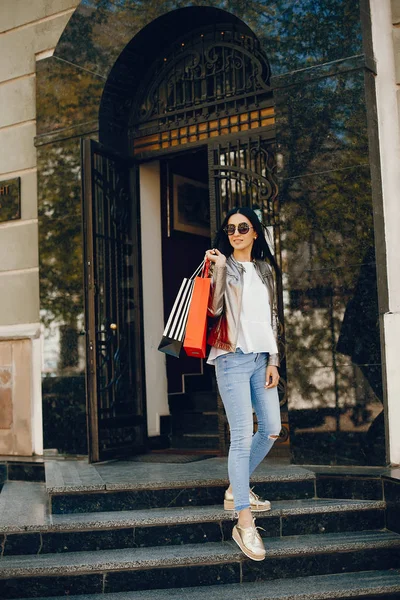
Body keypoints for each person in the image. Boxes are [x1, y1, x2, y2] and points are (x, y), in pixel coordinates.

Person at [205, 206, 281, 562]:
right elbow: (214, 310)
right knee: (240, 434)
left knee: (270, 429)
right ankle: (244, 522)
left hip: (261, 359)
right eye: (230, 228)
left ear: (255, 232)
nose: (235, 232)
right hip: (231, 357)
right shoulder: (223, 264)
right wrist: (218, 270)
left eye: (243, 227)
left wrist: (274, 360)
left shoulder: (266, 270)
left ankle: (237, 488)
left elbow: (273, 318)